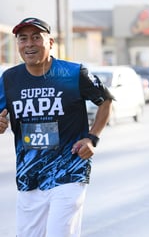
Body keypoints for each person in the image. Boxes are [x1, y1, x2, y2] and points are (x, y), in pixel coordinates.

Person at [0, 17, 114, 236]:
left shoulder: (74, 73)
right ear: (18, 45)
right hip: (29, 174)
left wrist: (92, 138)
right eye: (23, 39)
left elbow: (106, 100)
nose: (29, 44)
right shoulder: (9, 79)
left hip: (69, 171)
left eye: (36, 37)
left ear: (50, 42)